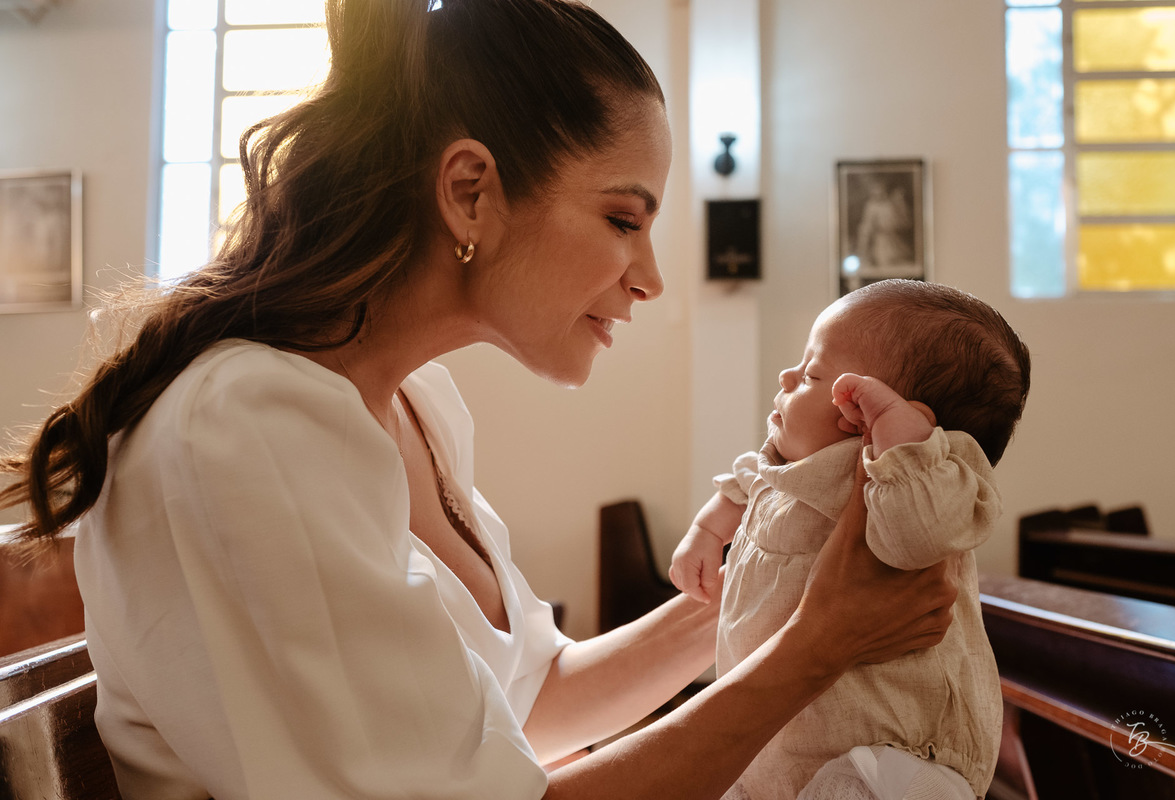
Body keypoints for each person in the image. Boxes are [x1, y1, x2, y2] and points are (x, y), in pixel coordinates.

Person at [0, 2, 959, 798]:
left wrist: (777, 574)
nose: (651, 277)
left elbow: (533, 703)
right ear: (469, 191)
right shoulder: (249, 427)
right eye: (623, 218)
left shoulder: (417, 405)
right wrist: (816, 650)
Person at [671, 279, 1032, 800]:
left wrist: (901, 446)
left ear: (867, 414)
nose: (787, 376)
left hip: (888, 756)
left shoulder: (915, 479)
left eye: (813, 373)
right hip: (777, 742)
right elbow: (746, 481)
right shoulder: (789, 466)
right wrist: (707, 531)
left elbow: (916, 538)